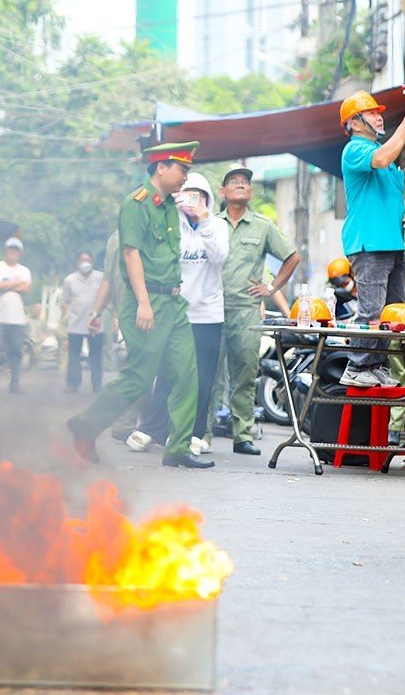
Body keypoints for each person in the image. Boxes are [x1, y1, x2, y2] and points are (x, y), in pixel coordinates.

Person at [68, 141, 213, 469]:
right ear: (161, 167)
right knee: (138, 376)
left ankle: (177, 447)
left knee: (189, 374)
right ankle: (85, 425)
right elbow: (130, 254)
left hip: (174, 303)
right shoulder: (137, 204)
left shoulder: (170, 208)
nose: (185, 178)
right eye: (182, 170)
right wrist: (144, 303)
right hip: (146, 302)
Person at [133, 171, 229, 453]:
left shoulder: (218, 225)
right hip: (176, 312)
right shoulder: (170, 224)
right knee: (166, 372)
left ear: (207, 199)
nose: (192, 201)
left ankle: (196, 434)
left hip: (208, 314)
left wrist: (204, 222)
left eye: (199, 196)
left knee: (202, 377)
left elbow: (219, 256)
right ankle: (152, 428)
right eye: (187, 195)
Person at [337, 90, 405, 387]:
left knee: (391, 311)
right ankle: (357, 365)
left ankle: (375, 364)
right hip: (369, 244)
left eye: (378, 111)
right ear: (354, 123)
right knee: (372, 310)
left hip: (392, 243)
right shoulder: (356, 149)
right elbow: (383, 157)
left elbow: (390, 196)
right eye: (371, 113)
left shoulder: (383, 156)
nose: (379, 116)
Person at [218, 165, 299, 454]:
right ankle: (200, 433)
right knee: (209, 373)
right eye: (234, 181)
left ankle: (242, 435)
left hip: (246, 309)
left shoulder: (263, 226)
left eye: (245, 182)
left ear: (250, 193)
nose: (240, 184)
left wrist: (272, 288)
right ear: (223, 192)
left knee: (245, 373)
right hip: (212, 308)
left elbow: (292, 256)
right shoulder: (212, 224)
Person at [0, 237, 32, 394]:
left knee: (16, 352)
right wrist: (16, 283)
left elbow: (26, 288)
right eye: (10, 249)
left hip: (18, 319)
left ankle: (15, 384)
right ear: (6, 250)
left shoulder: (24, 270)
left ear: (20, 253)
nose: (13, 252)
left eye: (16, 250)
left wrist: (7, 284)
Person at [60, 251, 104, 393]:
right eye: (82, 260)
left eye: (88, 260)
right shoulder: (70, 280)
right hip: (75, 325)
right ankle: (73, 384)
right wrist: (65, 318)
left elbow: (106, 296)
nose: (85, 263)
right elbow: (65, 302)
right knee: (74, 356)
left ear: (92, 262)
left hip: (96, 325)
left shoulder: (100, 277)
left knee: (96, 356)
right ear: (77, 263)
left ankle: (97, 386)